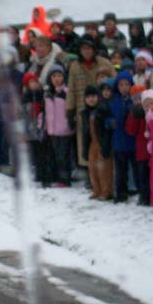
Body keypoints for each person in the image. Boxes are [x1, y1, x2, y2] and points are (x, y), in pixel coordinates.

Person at [66, 37, 114, 167]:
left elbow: (114, 83)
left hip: (102, 108)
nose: (86, 51)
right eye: (83, 49)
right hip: (83, 109)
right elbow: (71, 89)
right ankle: (89, 170)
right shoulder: (75, 66)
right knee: (85, 141)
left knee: (101, 139)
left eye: (89, 48)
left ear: (94, 49)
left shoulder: (104, 63)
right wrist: (70, 110)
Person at [43, 64, 74, 187]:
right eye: (54, 76)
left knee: (64, 156)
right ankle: (56, 176)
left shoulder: (66, 92)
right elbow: (45, 112)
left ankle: (65, 179)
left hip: (64, 130)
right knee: (55, 155)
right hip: (52, 130)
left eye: (59, 76)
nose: (57, 79)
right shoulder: (47, 94)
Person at [109, 70, 136, 202]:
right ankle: (121, 193)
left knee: (136, 168)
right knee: (121, 171)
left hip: (132, 141)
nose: (124, 88)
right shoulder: (113, 101)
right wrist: (109, 123)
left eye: (127, 84)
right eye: (121, 85)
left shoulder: (134, 101)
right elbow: (107, 118)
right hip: (118, 142)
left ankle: (137, 189)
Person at [89, 80, 115, 200]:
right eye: (103, 90)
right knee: (93, 167)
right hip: (95, 140)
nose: (105, 92)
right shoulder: (98, 106)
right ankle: (96, 189)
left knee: (105, 168)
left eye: (108, 90)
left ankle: (106, 191)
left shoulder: (110, 105)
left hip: (105, 140)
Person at [22, 72, 49, 185]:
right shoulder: (26, 97)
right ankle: (38, 173)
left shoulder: (42, 94)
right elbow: (24, 114)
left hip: (41, 127)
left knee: (43, 152)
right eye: (31, 82)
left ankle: (45, 174)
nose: (34, 84)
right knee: (36, 153)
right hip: (31, 129)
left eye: (35, 81)